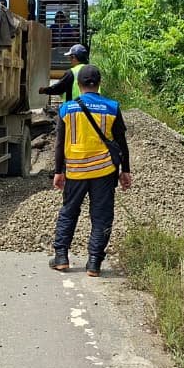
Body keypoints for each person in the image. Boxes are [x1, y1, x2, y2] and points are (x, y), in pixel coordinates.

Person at [50, 64, 133, 277]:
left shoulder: (67, 109)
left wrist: (59, 171)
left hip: (75, 170)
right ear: (99, 83)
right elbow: (121, 142)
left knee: (69, 211)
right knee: (102, 216)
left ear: (78, 85)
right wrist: (126, 170)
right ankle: (94, 262)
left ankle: (61, 257)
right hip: (104, 171)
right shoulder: (112, 107)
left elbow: (60, 143)